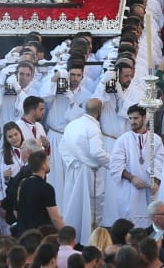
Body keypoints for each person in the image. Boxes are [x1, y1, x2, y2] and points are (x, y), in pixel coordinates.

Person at [60, 97, 109, 235]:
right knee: (92, 207)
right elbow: (97, 152)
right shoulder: (93, 127)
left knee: (74, 205)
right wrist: (113, 164)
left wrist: (72, 162)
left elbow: (62, 146)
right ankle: (90, 238)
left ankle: (74, 236)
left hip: (74, 171)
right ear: (99, 112)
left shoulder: (72, 124)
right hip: (89, 173)